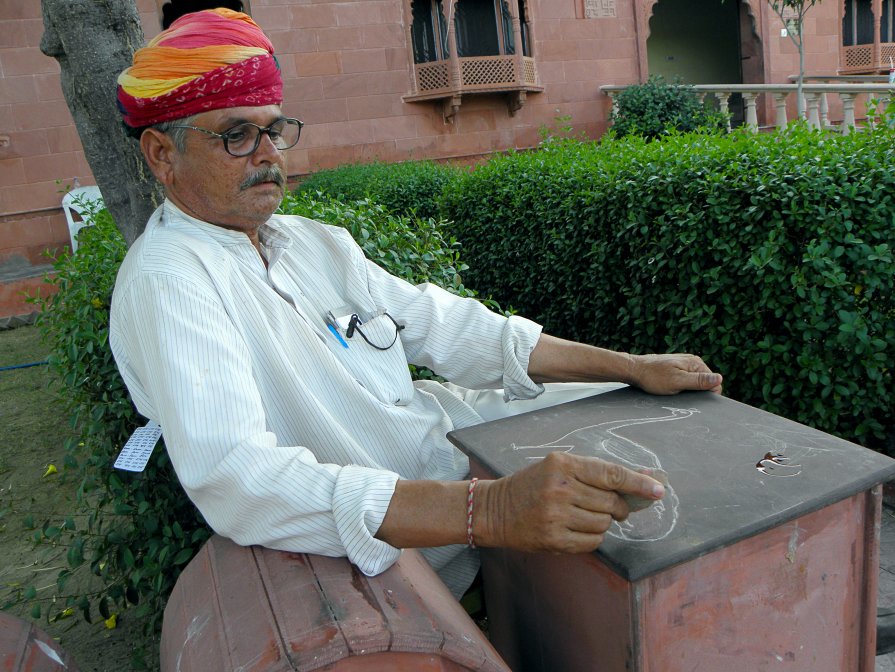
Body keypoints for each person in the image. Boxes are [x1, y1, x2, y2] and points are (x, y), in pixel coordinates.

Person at [110, 8, 723, 599]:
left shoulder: (311, 243)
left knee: (644, 412)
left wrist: (631, 366)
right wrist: (492, 510)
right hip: (428, 533)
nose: (269, 153)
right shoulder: (170, 279)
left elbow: (449, 326)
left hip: (462, 446)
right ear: (162, 155)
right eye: (237, 135)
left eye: (274, 129)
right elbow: (240, 480)